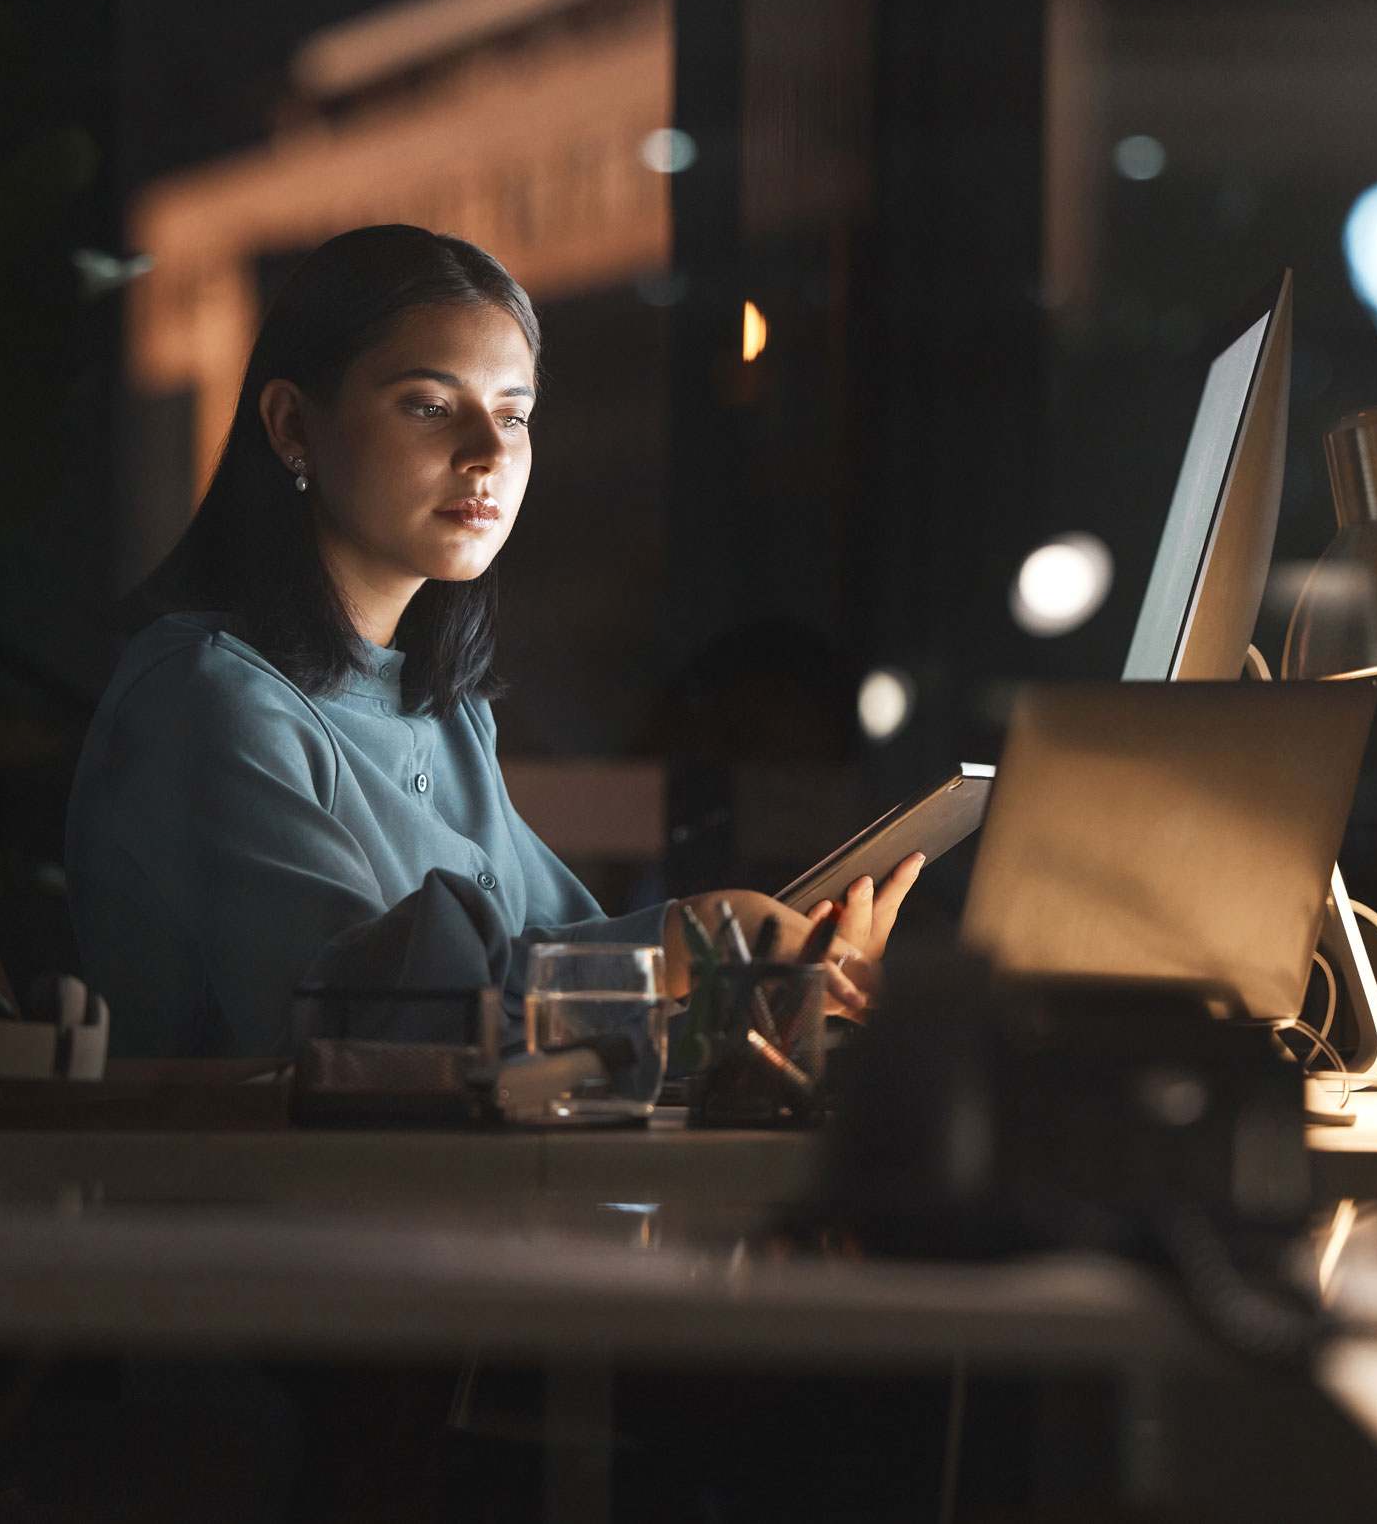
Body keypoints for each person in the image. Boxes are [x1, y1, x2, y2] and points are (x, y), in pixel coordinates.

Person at [66, 224, 919, 1058]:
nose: (486, 454)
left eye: (513, 417)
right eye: (431, 406)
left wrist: (771, 975)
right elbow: (363, 1033)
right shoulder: (208, 699)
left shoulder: (446, 713)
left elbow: (566, 977)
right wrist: (690, 941)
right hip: (246, 1197)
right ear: (293, 426)